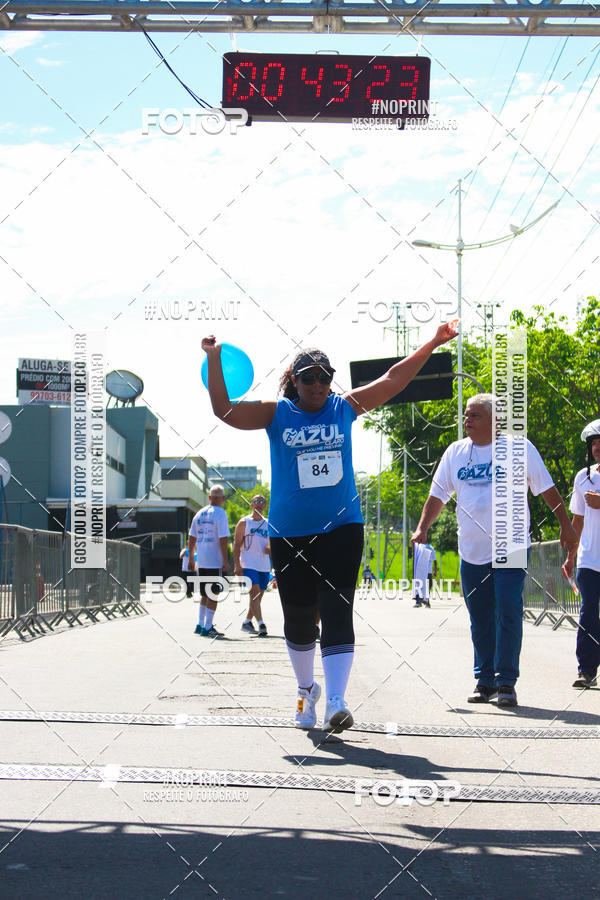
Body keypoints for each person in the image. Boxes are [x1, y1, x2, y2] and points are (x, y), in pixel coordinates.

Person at [201, 323, 457, 732]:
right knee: (299, 618)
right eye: (309, 378)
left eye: (325, 377)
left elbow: (393, 380)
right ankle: (306, 692)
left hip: (342, 527)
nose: (319, 384)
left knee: (338, 608)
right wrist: (214, 359)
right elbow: (224, 410)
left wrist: (433, 342)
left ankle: (336, 699)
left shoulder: (343, 407)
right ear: (295, 381)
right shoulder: (277, 413)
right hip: (289, 533)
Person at [411, 394, 578, 708]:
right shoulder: (456, 453)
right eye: (466, 415)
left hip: (512, 544)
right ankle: (484, 679)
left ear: (494, 420)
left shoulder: (520, 449)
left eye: (474, 415)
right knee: (480, 618)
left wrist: (566, 526)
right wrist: (423, 528)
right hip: (472, 550)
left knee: (508, 609)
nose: (466, 420)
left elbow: (547, 488)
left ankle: (506, 682)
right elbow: (437, 495)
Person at [565, 419, 600, 688]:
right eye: (594, 444)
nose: (597, 448)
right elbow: (577, 519)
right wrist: (570, 555)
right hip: (589, 559)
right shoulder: (583, 477)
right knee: (588, 611)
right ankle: (586, 669)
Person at [188, 484, 230, 639]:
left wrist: (191, 558)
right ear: (223, 498)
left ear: (210, 497)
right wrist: (225, 560)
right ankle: (208, 626)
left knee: (205, 594)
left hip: (203, 559)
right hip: (214, 560)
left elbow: (192, 537)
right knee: (214, 593)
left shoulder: (199, 513)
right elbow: (223, 538)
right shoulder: (220, 513)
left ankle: (200, 624)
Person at [234, 494, 271, 637]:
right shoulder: (244, 523)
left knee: (258, 596)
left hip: (264, 565)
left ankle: (247, 621)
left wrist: (269, 548)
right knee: (254, 594)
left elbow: (272, 542)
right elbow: (236, 544)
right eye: (257, 501)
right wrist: (237, 565)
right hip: (248, 564)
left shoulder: (269, 523)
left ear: (265, 505)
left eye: (262, 501)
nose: (259, 504)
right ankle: (261, 624)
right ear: (251, 504)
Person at [412, 541, 437, 608]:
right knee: (427, 587)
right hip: (427, 571)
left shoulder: (420, 548)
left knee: (419, 585)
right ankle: (425, 602)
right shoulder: (429, 548)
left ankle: (420, 602)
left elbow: (434, 560)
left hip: (422, 570)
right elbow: (435, 561)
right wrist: (435, 571)